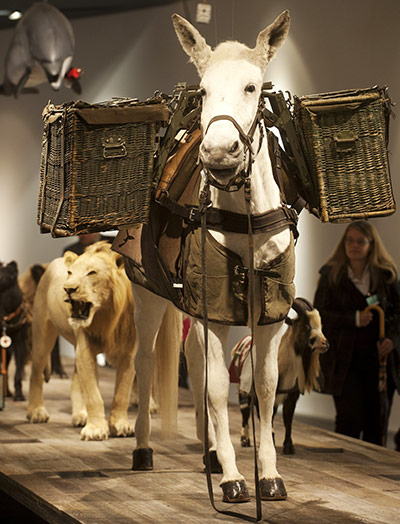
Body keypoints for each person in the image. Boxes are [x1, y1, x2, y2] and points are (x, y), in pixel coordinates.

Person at [314, 220, 400, 446]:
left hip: (379, 362)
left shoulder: (386, 276)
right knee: (349, 420)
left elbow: (399, 314)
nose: (353, 246)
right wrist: (354, 319)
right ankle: (346, 474)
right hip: (345, 362)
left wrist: (393, 340)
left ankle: (373, 476)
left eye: (360, 241)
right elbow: (320, 314)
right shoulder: (331, 275)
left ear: (371, 245)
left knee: (377, 421)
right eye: (349, 240)